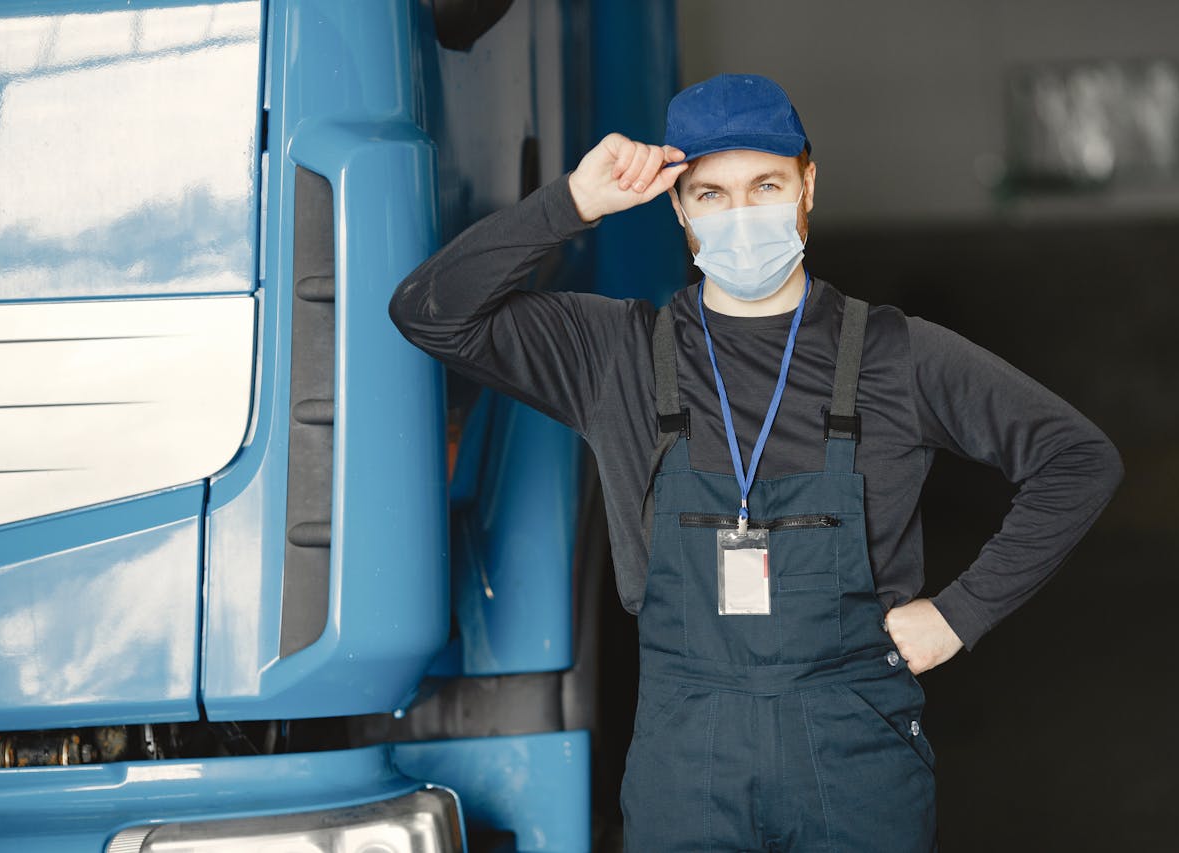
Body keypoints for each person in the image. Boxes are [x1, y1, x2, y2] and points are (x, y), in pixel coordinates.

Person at [389, 73, 1122, 852]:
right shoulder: (616, 355)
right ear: (678, 208)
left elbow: (1077, 458)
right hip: (687, 751)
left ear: (809, 184)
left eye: (765, 184)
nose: (741, 216)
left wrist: (960, 614)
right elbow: (429, 312)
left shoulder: (896, 355)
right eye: (711, 194)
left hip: (855, 745)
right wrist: (570, 202)